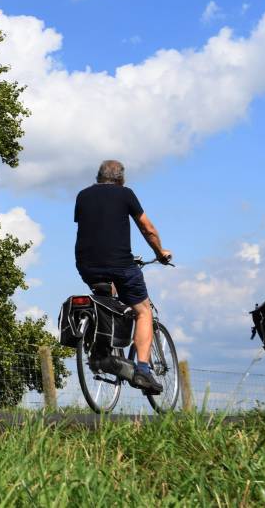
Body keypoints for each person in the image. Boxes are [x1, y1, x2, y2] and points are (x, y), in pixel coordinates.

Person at [74, 160, 172, 394]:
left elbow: (93, 227)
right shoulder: (125, 194)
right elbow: (147, 228)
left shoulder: (82, 196)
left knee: (108, 299)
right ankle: (143, 370)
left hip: (86, 264)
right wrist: (160, 253)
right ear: (121, 179)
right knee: (143, 311)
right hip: (120, 264)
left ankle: (103, 353)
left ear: (98, 177)